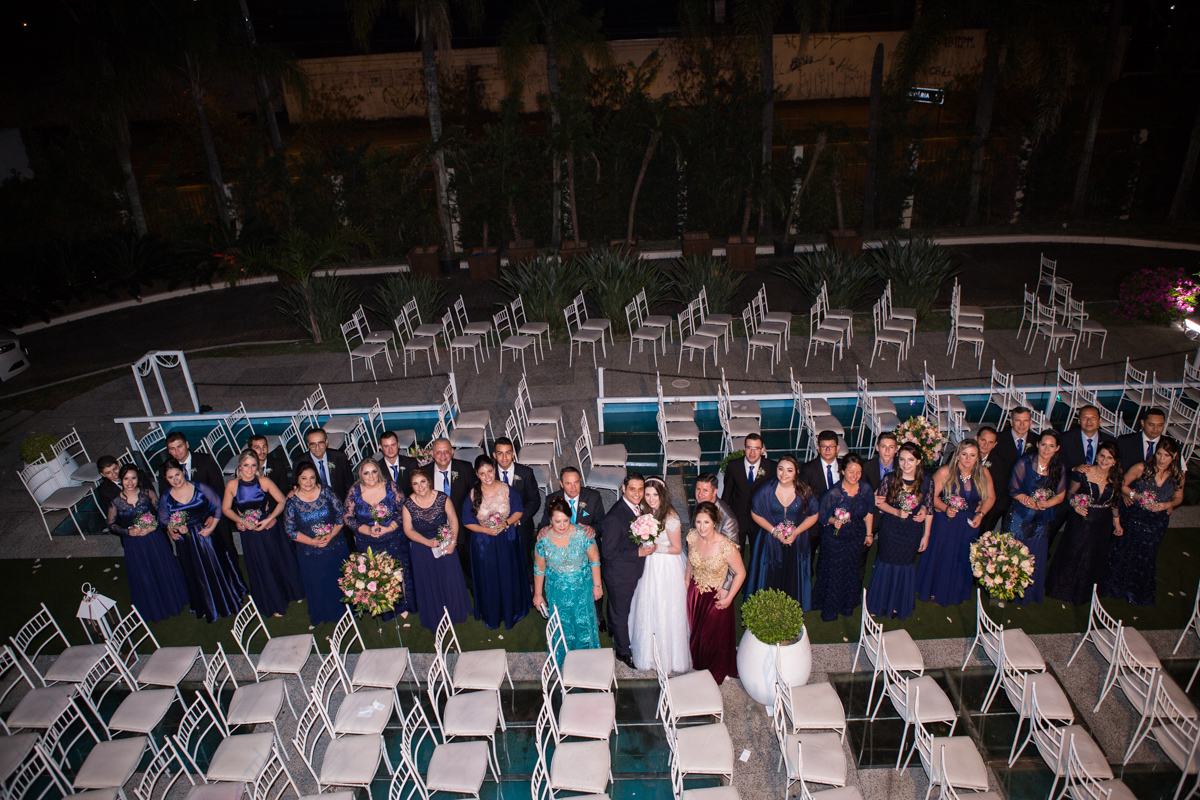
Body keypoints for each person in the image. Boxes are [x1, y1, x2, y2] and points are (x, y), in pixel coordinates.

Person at [158, 459, 245, 623]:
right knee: (196, 572)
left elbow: (218, 506)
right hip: (186, 541)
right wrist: (173, 529)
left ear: (183, 472)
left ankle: (226, 599)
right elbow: (164, 519)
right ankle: (205, 604)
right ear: (166, 479)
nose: (175, 480)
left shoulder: (200, 487)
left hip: (207, 535)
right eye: (170, 477)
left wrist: (212, 527)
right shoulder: (166, 497)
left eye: (177, 474)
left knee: (216, 566)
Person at [222, 451, 305, 618]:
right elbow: (225, 509)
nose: (250, 469)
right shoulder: (232, 485)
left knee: (278, 560)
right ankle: (273, 602)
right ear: (239, 466)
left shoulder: (264, 481)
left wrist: (269, 519)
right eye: (246, 465)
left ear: (258, 466)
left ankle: (291, 592)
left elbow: (282, 501)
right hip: (250, 533)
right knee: (261, 566)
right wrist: (241, 520)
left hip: (268, 529)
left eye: (253, 465)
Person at [1104, 437, 1185, 606]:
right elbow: (1122, 484)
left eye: (1166, 455)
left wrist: (1167, 505)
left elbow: (1179, 497)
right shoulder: (1142, 468)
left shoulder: (1178, 475)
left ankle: (1135, 592)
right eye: (1159, 454)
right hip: (1134, 516)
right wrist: (1136, 496)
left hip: (1157, 522)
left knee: (1146, 555)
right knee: (1123, 549)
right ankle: (1114, 587)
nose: (1162, 459)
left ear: (1174, 456)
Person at [915, 439, 994, 607]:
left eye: (972, 455)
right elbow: (930, 496)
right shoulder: (946, 471)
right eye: (964, 454)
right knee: (942, 556)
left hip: (969, 524)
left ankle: (956, 591)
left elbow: (990, 497)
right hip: (945, 523)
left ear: (978, 457)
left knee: (961, 558)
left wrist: (981, 514)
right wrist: (945, 508)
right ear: (957, 455)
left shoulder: (983, 473)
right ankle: (934, 589)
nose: (968, 459)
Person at [107, 464, 188, 622]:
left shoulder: (147, 493)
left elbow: (162, 513)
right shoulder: (115, 502)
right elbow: (111, 525)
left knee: (162, 568)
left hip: (154, 538)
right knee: (144, 573)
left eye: (133, 478)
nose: (130, 482)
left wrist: (154, 525)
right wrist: (128, 532)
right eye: (126, 479)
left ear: (138, 478)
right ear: (121, 480)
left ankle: (173, 600)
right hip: (134, 544)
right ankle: (155, 607)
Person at [1046, 442, 1122, 605]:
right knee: (1074, 550)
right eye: (1102, 456)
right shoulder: (1084, 473)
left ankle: (1084, 591)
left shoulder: (1116, 477)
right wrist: (1075, 505)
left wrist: (1117, 522)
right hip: (1081, 519)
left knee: (1094, 554)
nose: (1104, 460)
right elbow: (1070, 493)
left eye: (1109, 458)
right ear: (1097, 456)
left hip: (1102, 522)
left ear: (1115, 461)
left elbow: (1115, 502)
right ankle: (1063, 589)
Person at [158, 432, 241, 578]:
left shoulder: (205, 460)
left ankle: (235, 580)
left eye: (179, 446)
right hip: (188, 524)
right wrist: (173, 524)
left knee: (226, 549)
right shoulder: (165, 469)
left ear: (187, 444)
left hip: (213, 514)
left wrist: (213, 515)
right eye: (172, 449)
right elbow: (166, 498)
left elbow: (219, 490)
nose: (177, 451)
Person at [629, 477, 690, 674]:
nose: (651, 498)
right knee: (649, 605)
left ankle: (669, 657)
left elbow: (677, 548)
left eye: (655, 494)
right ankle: (647, 653)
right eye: (647, 495)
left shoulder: (671, 518)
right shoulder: (647, 513)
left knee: (665, 607)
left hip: (666, 566)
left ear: (662, 495)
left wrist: (657, 548)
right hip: (650, 565)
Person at [461, 455, 530, 629]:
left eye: (490, 471)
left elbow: (518, 511)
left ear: (494, 469)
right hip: (485, 543)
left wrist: (506, 523)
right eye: (482, 473)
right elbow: (467, 521)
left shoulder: (506, 489)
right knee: (489, 578)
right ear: (477, 474)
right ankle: (493, 613)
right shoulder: (473, 493)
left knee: (509, 575)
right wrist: (486, 530)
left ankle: (512, 610)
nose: (487, 476)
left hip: (507, 539)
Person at [865, 443, 933, 620]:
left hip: (912, 531)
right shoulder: (890, 478)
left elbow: (929, 508)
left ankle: (897, 604)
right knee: (886, 564)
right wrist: (896, 512)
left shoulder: (927, 481)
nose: (905, 464)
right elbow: (879, 502)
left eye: (910, 460)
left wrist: (926, 534)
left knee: (905, 566)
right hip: (891, 529)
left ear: (918, 461)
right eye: (902, 459)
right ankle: (879, 603)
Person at [744, 455, 820, 609]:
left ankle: (790, 610)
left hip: (796, 542)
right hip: (770, 541)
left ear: (796, 472)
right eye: (781, 469)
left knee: (792, 577)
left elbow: (814, 515)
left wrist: (796, 532)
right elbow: (755, 513)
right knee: (769, 576)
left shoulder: (804, 491)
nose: (784, 474)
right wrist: (774, 532)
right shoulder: (766, 490)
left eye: (789, 470)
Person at [344, 458, 416, 619]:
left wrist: (390, 527)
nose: (370, 476)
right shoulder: (355, 491)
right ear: (361, 475)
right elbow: (348, 517)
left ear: (379, 472)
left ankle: (403, 605)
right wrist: (367, 530)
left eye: (374, 472)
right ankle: (382, 607)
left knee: (398, 572)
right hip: (368, 542)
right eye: (366, 473)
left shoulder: (391, 487)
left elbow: (404, 510)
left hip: (394, 539)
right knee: (375, 575)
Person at [533, 496, 602, 663]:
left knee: (583, 623)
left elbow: (594, 560)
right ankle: (563, 661)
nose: (562, 525)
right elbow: (539, 568)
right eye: (557, 522)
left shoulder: (583, 534)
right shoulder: (543, 540)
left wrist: (597, 585)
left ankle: (587, 661)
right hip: (557, 591)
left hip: (582, 589)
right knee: (562, 625)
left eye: (566, 520)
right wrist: (538, 594)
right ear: (550, 521)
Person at [402, 466, 471, 632]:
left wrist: (452, 543)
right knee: (429, 582)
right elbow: (408, 530)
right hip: (422, 548)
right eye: (415, 484)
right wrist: (427, 542)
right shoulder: (408, 504)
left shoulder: (442, 498)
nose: (420, 487)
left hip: (445, 542)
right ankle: (435, 615)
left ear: (429, 482)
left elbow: (453, 521)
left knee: (449, 579)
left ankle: (454, 612)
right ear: (412, 486)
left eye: (423, 482)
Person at [1002, 430, 1067, 605]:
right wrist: (1026, 499)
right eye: (1043, 444)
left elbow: (1060, 495)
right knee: (1011, 553)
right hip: (1020, 515)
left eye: (1051, 446)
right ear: (1037, 444)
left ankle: (1027, 593)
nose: (1046, 449)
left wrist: (1046, 503)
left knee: (1034, 553)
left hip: (1042, 518)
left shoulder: (1059, 467)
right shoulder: (1024, 463)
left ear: (1057, 448)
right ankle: (1004, 590)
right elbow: (1013, 489)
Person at [284, 462, 351, 626]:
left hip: (334, 546)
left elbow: (341, 515)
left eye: (312, 478)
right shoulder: (292, 502)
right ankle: (323, 612)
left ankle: (345, 610)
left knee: (339, 579)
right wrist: (313, 541)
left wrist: (331, 535)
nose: (308, 482)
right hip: (310, 552)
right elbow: (290, 530)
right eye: (304, 478)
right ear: (297, 479)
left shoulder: (327, 492)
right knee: (318, 583)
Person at [540, 466, 607, 629]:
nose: (573, 487)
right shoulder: (552, 499)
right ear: (561, 484)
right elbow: (544, 523)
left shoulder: (593, 497)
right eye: (568, 483)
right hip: (564, 552)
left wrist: (593, 529)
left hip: (588, 551)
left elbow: (602, 522)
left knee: (593, 582)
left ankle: (598, 615)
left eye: (576, 482)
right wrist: (543, 529)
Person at [686, 502, 745, 685]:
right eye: (698, 522)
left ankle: (712, 673)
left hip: (716, 598)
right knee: (695, 634)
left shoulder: (726, 546)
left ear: (715, 522)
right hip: (695, 594)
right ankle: (698, 666)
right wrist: (686, 581)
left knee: (711, 638)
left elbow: (741, 573)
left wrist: (729, 598)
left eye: (706, 522)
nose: (701, 527)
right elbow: (690, 560)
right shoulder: (692, 536)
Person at [811, 454, 875, 622]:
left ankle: (847, 603)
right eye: (851, 472)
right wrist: (834, 521)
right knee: (834, 571)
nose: (855, 476)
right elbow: (821, 516)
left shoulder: (866, 489)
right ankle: (829, 606)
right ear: (843, 471)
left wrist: (869, 534)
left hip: (856, 536)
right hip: (835, 539)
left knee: (851, 569)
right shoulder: (834, 493)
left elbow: (869, 512)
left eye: (858, 472)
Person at [601, 472, 650, 669]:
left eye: (640, 489)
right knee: (622, 613)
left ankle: (612, 628)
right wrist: (637, 552)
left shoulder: (638, 508)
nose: (637, 493)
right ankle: (623, 652)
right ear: (623, 489)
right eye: (632, 489)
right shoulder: (615, 517)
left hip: (628, 570)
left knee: (615, 607)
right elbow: (608, 551)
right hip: (619, 574)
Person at [1053, 406, 1117, 536]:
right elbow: (1057, 461)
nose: (1089, 421)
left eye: (1093, 418)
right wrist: (1074, 468)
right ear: (1079, 420)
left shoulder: (1110, 441)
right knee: (1051, 529)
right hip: (1068, 490)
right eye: (1085, 418)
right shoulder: (1065, 438)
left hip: (1096, 498)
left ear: (1100, 420)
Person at [429, 438, 479, 586]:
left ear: (452, 452)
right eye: (438, 452)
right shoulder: (425, 473)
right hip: (435, 531)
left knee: (469, 569)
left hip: (463, 528)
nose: (442, 455)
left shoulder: (465, 468)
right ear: (432, 454)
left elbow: (476, 496)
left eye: (446, 451)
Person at [492, 437, 541, 570]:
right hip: (497, 526)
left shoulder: (526, 473)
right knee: (502, 561)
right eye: (500, 453)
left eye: (508, 453)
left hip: (521, 525)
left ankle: (528, 581)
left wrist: (517, 520)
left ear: (513, 453)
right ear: (494, 455)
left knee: (524, 560)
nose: (504, 458)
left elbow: (534, 500)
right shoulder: (490, 474)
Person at [721, 434, 775, 549]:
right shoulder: (733, 466)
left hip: (760, 519)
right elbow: (727, 494)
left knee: (758, 552)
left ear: (762, 450)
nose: (752, 452)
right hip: (738, 519)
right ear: (744, 447)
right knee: (736, 552)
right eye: (749, 448)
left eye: (756, 448)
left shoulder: (771, 467)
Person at [982, 407, 1032, 532]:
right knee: (985, 529)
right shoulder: (998, 439)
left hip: (1022, 498)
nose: (1022, 425)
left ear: (1031, 422)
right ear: (1011, 421)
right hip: (998, 496)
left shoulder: (1037, 441)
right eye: (1018, 420)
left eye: (1025, 421)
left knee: (1012, 535)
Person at [694, 473, 739, 592]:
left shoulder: (728, 519)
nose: (700, 494)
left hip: (717, 583)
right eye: (698, 489)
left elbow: (734, 557)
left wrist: (726, 588)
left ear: (715, 492)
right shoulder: (701, 505)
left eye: (705, 490)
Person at [295, 428, 353, 502]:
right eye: (313, 444)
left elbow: (349, 483)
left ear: (326, 442)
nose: (317, 447)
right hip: (314, 503)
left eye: (320, 443)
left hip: (339, 501)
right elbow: (296, 486)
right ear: (308, 445)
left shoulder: (339, 457)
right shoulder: (299, 462)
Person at [1117, 408, 1167, 475]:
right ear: (1143, 423)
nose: (1155, 429)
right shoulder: (1125, 442)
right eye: (1151, 424)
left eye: (1160, 425)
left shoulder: (1170, 444)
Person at [976, 426, 1004, 530]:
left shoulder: (999, 464)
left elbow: (999, 490)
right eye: (983, 440)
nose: (985, 445)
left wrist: (983, 504)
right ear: (976, 438)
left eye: (990, 442)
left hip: (985, 506)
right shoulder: (960, 455)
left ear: (995, 445)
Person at [379, 430, 419, 495]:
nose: (390, 449)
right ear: (381, 447)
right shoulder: (377, 468)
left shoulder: (411, 463)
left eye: (393, 445)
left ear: (398, 444)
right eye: (386, 446)